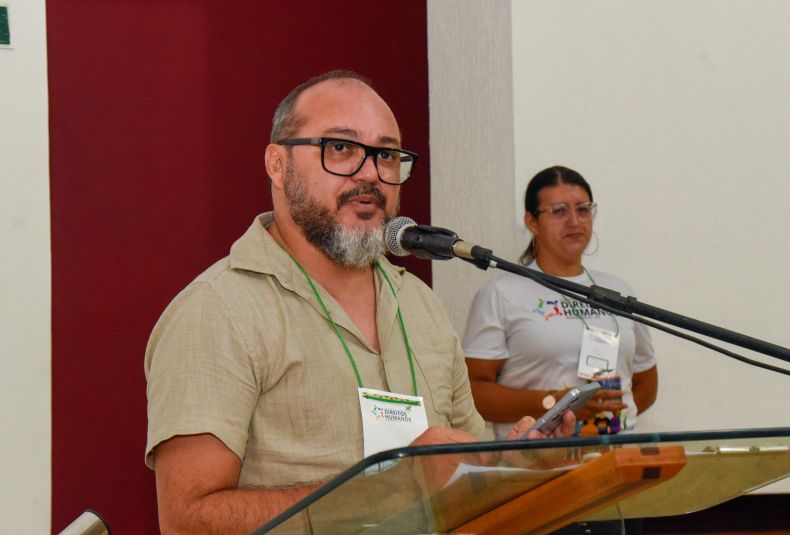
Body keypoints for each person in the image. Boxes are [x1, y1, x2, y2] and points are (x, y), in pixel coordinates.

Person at [144, 71, 574, 535]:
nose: (370, 173)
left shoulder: (420, 304)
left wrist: (514, 465)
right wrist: (392, 489)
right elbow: (187, 521)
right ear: (278, 164)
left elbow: (459, 478)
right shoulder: (217, 311)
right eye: (340, 148)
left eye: (386, 155)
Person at [462, 165, 658, 440]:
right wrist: (556, 403)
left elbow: (646, 380)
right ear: (532, 222)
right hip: (535, 456)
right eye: (559, 211)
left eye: (583, 209)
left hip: (614, 454)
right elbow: (475, 393)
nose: (575, 221)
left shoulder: (618, 291)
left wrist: (610, 417)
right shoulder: (501, 294)